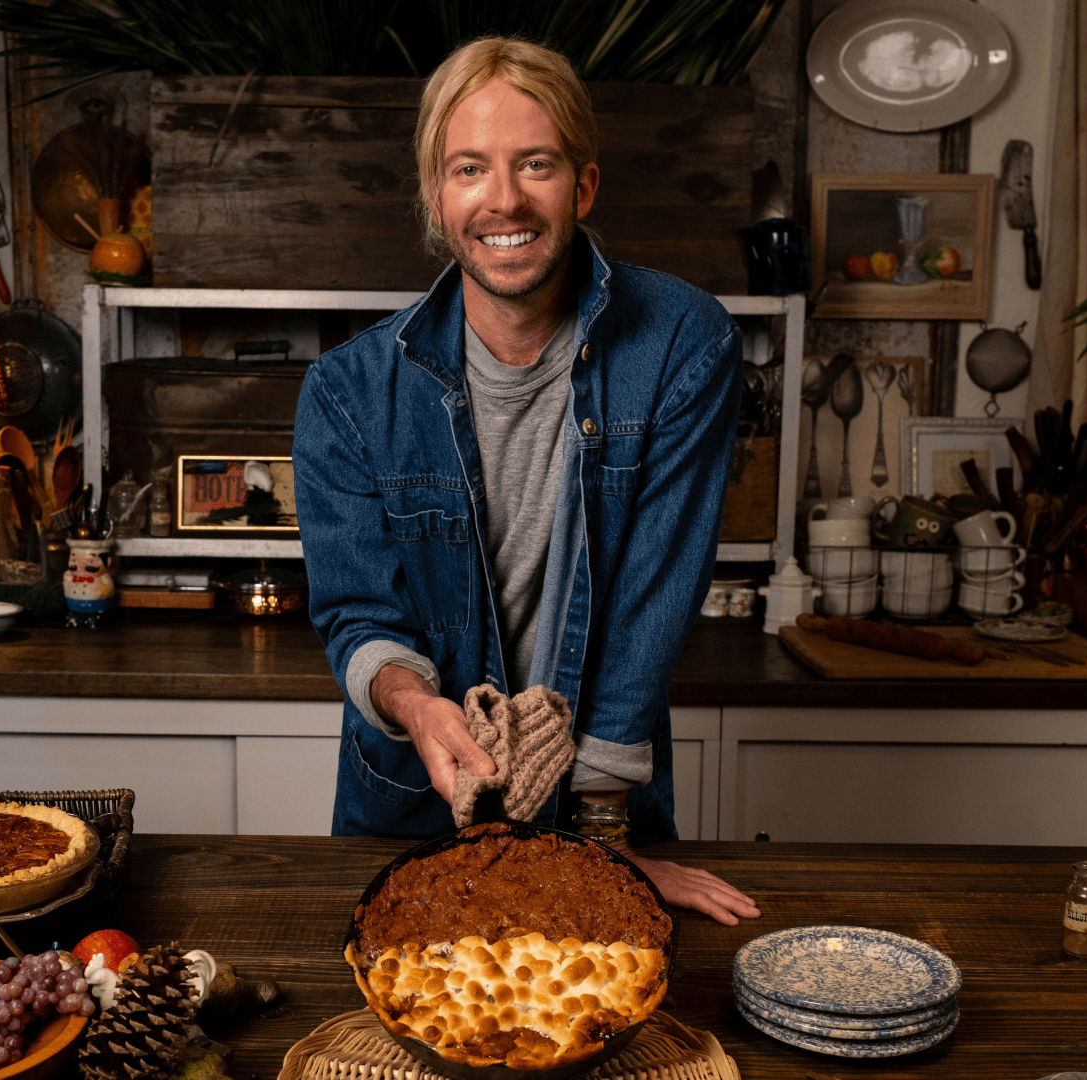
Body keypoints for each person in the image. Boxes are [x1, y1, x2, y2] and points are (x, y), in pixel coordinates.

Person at [293, 36, 759, 926]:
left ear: (582, 186)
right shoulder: (348, 391)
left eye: (534, 164)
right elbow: (359, 615)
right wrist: (417, 705)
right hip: (412, 808)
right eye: (471, 168)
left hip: (600, 797)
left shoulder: (680, 345)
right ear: (438, 198)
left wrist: (602, 852)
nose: (502, 200)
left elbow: (650, 604)